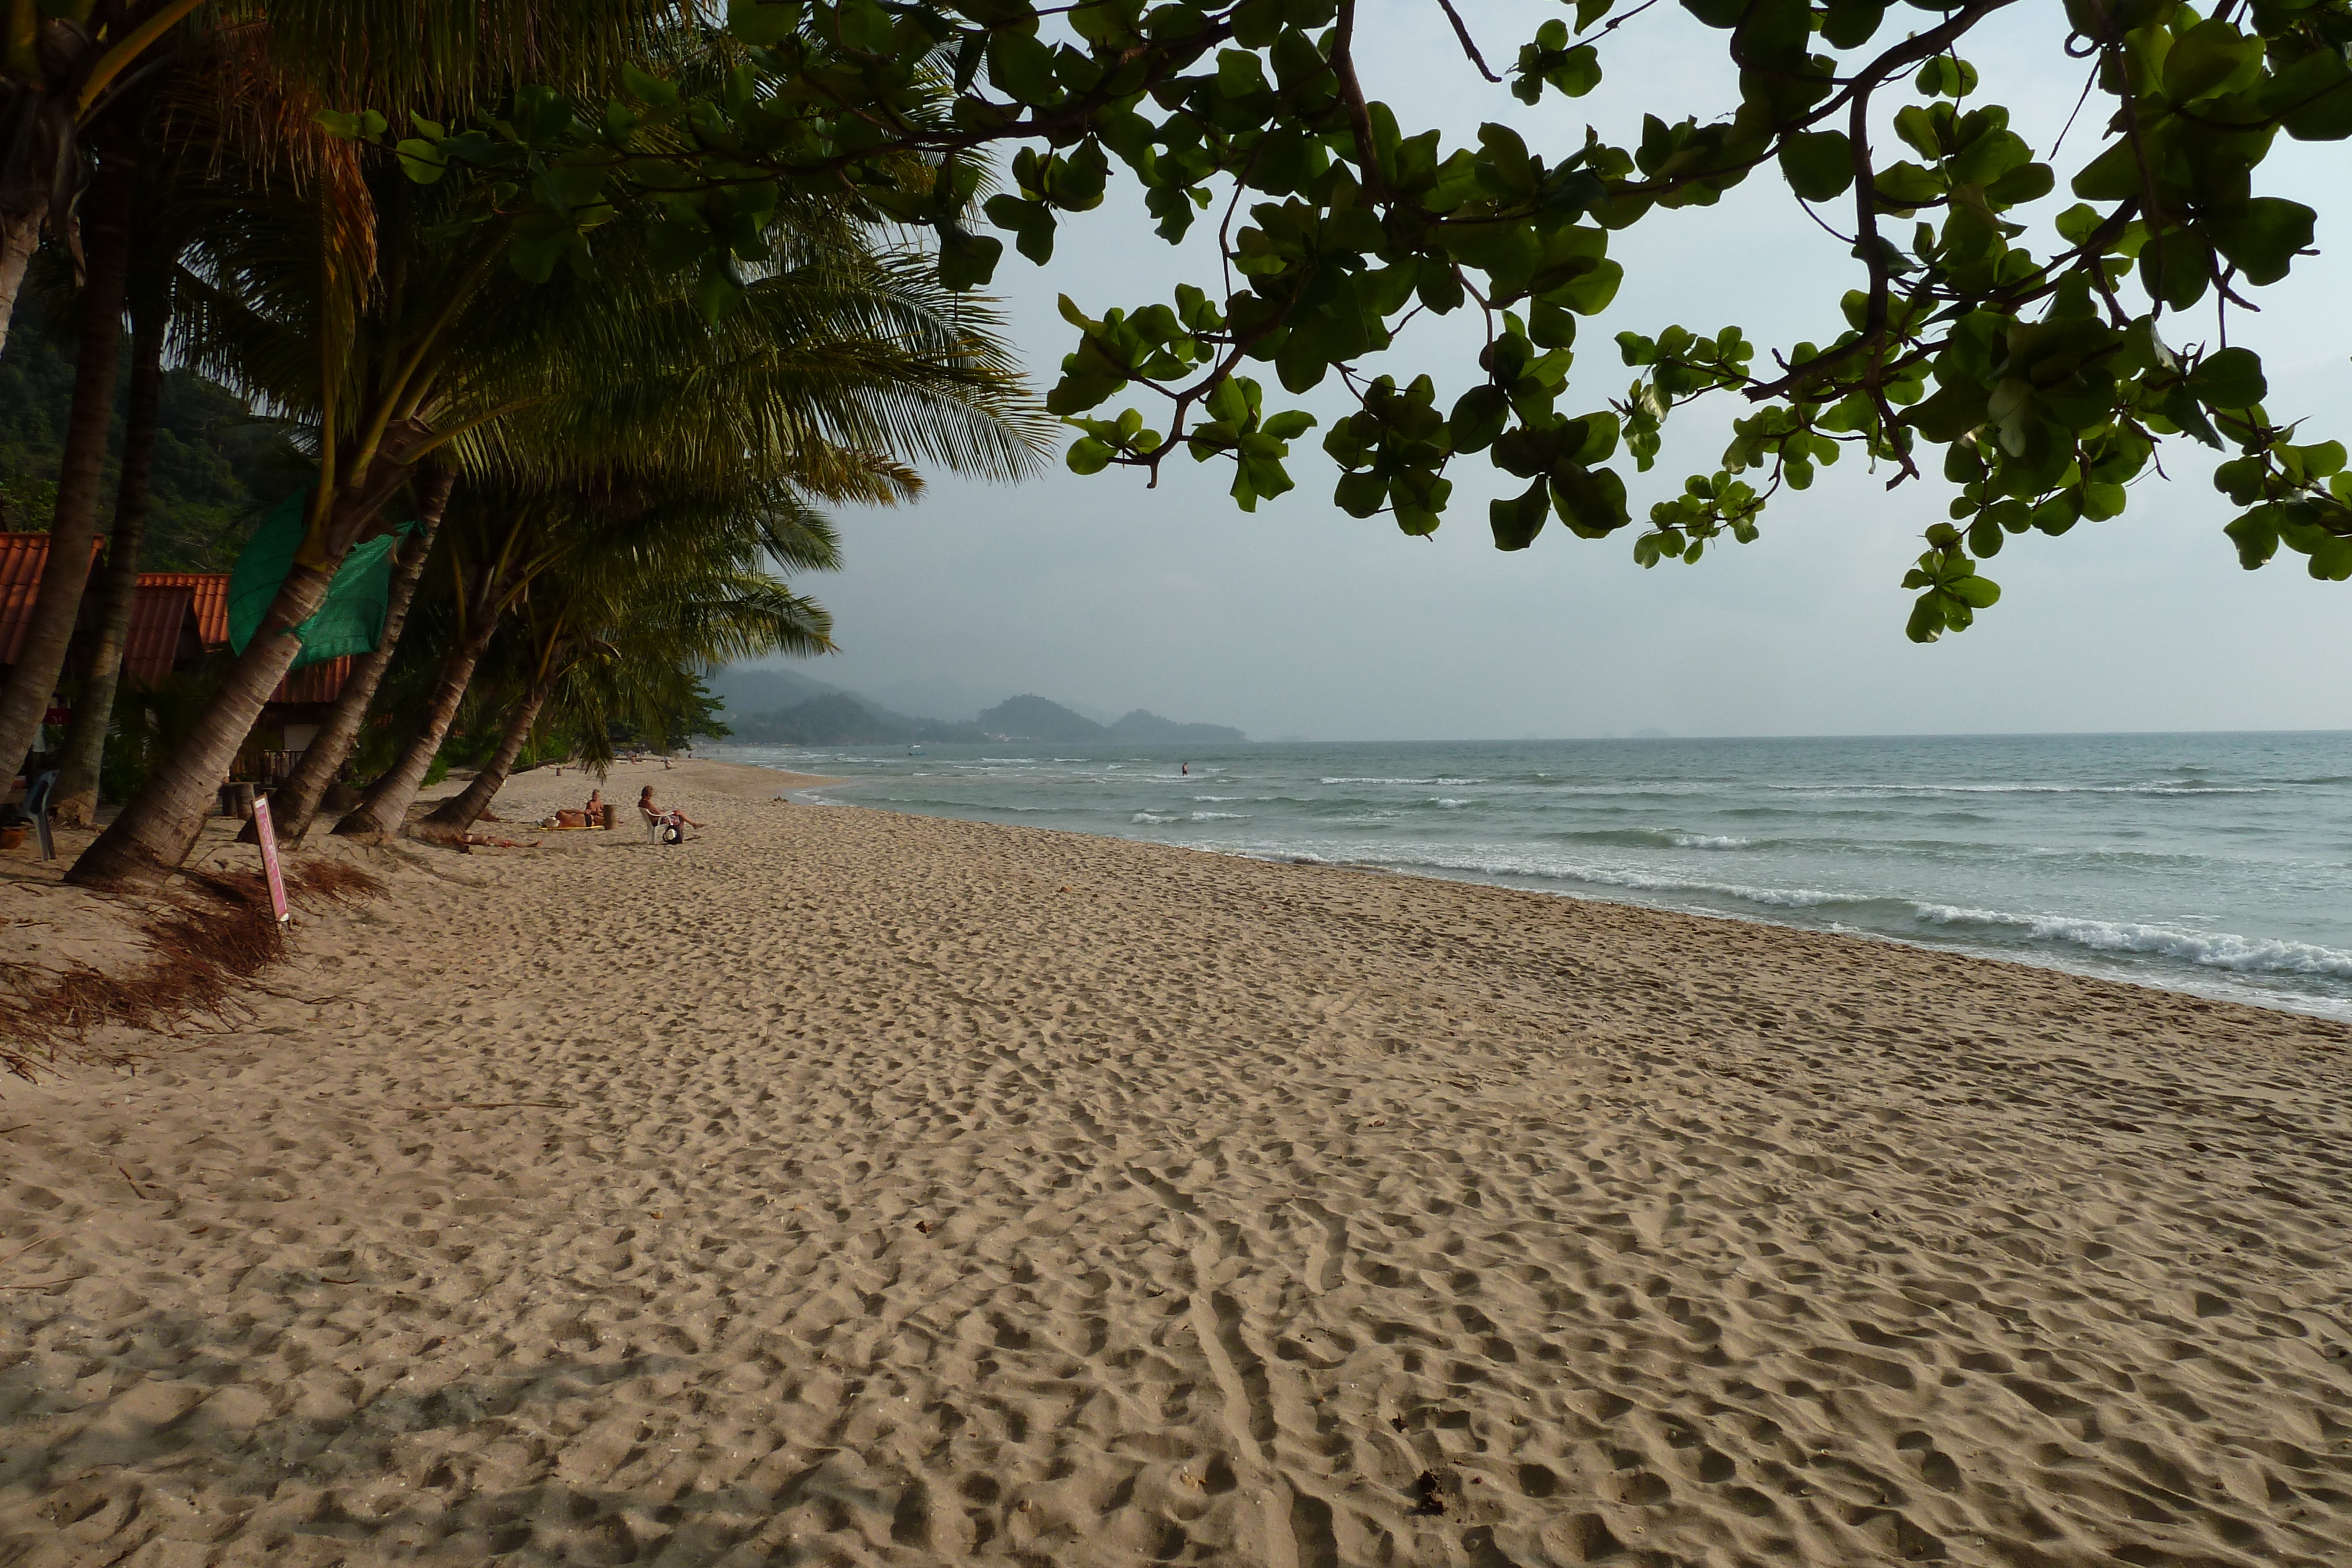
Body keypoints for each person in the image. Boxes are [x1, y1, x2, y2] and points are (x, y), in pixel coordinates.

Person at [638, 785, 702, 839]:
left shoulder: (641, 802)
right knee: (679, 816)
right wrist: (667, 813)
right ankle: (681, 835)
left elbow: (653, 812)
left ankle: (693, 826)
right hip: (658, 820)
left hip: (654, 819)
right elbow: (659, 813)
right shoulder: (648, 802)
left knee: (679, 812)